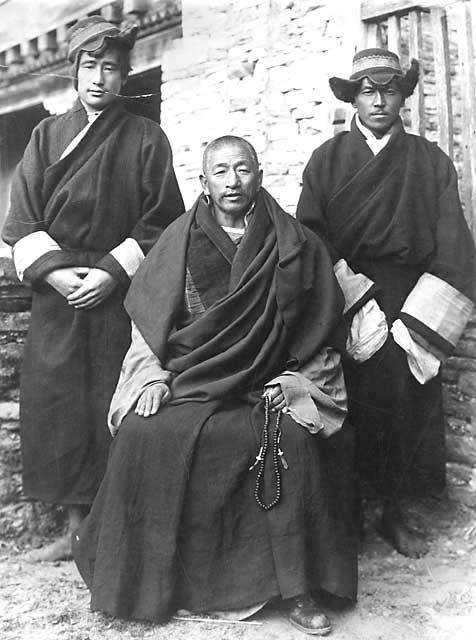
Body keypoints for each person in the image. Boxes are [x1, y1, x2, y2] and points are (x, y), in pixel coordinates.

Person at [73, 136, 357, 635]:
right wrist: (152, 377)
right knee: (143, 433)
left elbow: (321, 331)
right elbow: (148, 327)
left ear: (259, 176)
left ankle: (296, 589)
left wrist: (295, 384)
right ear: (203, 182)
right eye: (221, 171)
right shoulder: (177, 241)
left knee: (292, 439)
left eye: (242, 169)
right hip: (190, 381)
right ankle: (149, 584)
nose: (233, 181)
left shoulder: (297, 244)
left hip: (266, 384)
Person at [2, 15, 184, 562]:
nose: (99, 78)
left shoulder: (147, 138)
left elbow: (162, 220)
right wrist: (54, 273)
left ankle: (116, 528)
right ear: (74, 72)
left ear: (125, 74)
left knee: (114, 400)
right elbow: (21, 220)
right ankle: (75, 529)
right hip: (57, 294)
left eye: (110, 67)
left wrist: (112, 271)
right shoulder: (45, 135)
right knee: (58, 405)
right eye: (89, 66)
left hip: (119, 292)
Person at [296, 48, 476, 558]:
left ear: (404, 96)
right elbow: (310, 238)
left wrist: (414, 324)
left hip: (411, 297)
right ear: (352, 98)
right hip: (344, 295)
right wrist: (356, 303)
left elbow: (454, 246)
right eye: (367, 91)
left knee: (406, 402)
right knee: (344, 400)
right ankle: (347, 513)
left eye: (389, 90)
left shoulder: (430, 161)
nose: (379, 101)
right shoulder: (327, 160)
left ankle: (395, 512)